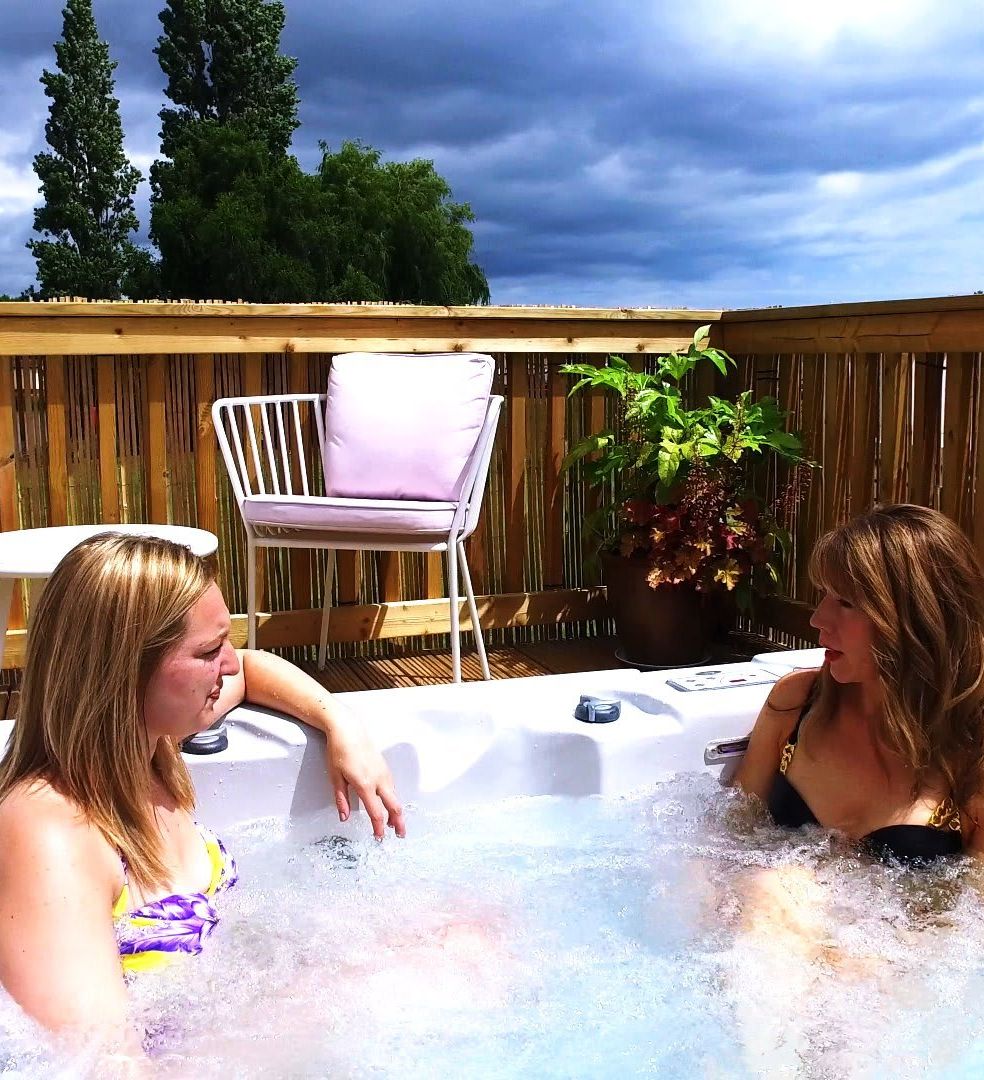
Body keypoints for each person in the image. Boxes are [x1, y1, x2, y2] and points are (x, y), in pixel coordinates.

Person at [0, 532, 404, 1053]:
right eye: (210, 651)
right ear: (125, 671)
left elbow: (252, 669)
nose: (229, 664)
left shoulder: (153, 745)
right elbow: (104, 1062)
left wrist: (340, 723)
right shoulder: (50, 834)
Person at [734, 502, 984, 861]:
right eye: (824, 594)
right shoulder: (796, 703)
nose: (818, 619)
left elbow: (971, 892)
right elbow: (729, 837)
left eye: (847, 603)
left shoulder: (972, 754)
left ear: (917, 621)